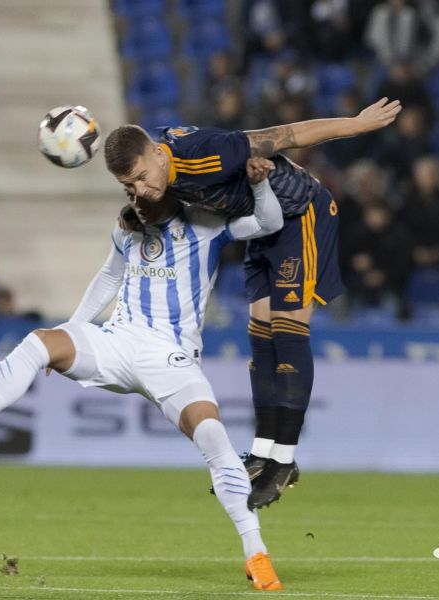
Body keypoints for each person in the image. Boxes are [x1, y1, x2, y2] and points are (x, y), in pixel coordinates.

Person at [0, 160, 287, 590]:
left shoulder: (206, 223)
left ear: (165, 185)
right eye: (128, 190)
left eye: (140, 188)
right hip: (117, 341)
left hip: (171, 357)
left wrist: (259, 186)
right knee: (39, 342)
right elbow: (109, 277)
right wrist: (70, 331)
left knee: (214, 439)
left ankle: (255, 553)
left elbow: (268, 220)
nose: (134, 198)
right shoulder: (128, 229)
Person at [102, 97, 400, 510]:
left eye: (140, 178)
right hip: (260, 227)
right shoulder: (158, 174)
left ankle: (285, 460)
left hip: (301, 216)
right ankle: (262, 453)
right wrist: (135, 211)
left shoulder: (207, 152)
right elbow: (163, 204)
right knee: (260, 338)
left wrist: (356, 124)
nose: (141, 189)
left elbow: (287, 135)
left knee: (288, 331)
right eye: (129, 186)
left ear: (156, 152)